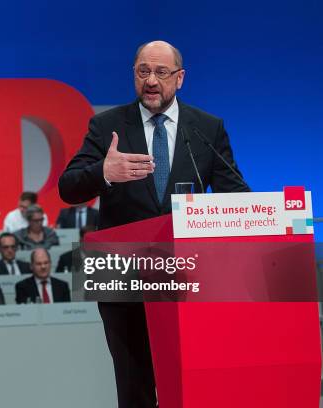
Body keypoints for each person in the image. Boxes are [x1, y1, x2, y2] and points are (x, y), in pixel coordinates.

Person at [57, 41, 250, 408]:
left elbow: (235, 192)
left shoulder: (207, 127)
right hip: (124, 275)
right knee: (135, 389)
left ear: (180, 78)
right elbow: (68, 187)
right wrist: (103, 172)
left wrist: (268, 213)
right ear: (134, 75)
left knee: (190, 385)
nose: (151, 80)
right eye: (143, 71)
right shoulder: (107, 125)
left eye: (161, 73)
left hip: (188, 277)